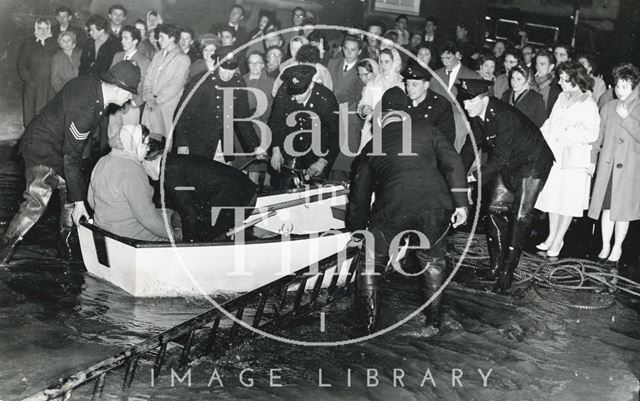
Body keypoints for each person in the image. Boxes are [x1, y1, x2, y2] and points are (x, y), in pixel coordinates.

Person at [347, 87, 468, 334]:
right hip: (436, 206)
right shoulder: (430, 131)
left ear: (380, 118)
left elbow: (359, 196)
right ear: (407, 115)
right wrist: (462, 204)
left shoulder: (372, 146)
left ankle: (367, 327)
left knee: (370, 265)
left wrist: (358, 230)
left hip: (393, 208)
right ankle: (433, 324)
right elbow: (454, 164)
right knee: (433, 263)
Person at [0, 61, 141, 264]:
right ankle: (4, 253)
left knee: (72, 193)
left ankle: (66, 249)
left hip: (56, 146)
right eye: (130, 93)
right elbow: (71, 156)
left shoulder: (92, 86)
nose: (130, 98)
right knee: (37, 199)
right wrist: (81, 203)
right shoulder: (86, 108)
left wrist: (78, 200)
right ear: (119, 90)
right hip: (42, 147)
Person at [458, 79, 554, 292]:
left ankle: (506, 273)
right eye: (464, 102)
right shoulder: (476, 114)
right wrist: (457, 174)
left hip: (532, 162)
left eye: (470, 101)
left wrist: (473, 178)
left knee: (520, 216)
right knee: (494, 210)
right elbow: (470, 146)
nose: (466, 106)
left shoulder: (504, 117)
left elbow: (499, 158)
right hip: (510, 161)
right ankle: (494, 267)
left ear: (484, 98)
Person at [534, 61, 600, 258]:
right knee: (553, 198)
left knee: (568, 201)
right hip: (556, 156)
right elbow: (550, 122)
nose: (560, 83)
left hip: (574, 160)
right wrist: (540, 135)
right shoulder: (562, 97)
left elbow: (592, 133)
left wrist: (567, 135)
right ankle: (552, 235)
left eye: (564, 79)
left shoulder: (589, 103)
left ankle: (559, 239)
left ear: (575, 81)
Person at [143, 138, 258, 242]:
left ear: (146, 162)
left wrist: (188, 245)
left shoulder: (169, 172)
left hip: (240, 200)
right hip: (244, 192)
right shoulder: (171, 162)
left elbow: (189, 213)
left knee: (202, 237)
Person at [173, 46, 265, 163]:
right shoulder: (201, 82)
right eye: (224, 68)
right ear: (217, 63)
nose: (227, 73)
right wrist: (182, 143)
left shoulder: (239, 83)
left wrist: (255, 146)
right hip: (199, 142)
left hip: (225, 143)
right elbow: (183, 112)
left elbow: (243, 119)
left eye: (231, 69)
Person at [588, 63, 640, 263]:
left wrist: (628, 119)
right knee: (606, 209)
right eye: (618, 85)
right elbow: (597, 138)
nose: (620, 90)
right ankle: (605, 245)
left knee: (622, 211)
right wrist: (592, 160)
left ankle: (617, 247)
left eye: (625, 86)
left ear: (634, 86)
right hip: (607, 168)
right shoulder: (608, 107)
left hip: (629, 170)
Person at [89, 124, 168, 241]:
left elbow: (91, 199)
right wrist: (171, 234)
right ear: (133, 144)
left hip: (103, 232)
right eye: (145, 144)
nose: (148, 149)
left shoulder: (102, 161)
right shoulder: (132, 169)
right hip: (128, 237)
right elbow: (147, 217)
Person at [269, 65, 340, 189]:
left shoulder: (326, 98)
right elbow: (276, 121)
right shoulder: (284, 91)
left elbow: (336, 134)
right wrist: (275, 149)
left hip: (318, 150)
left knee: (314, 193)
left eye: (301, 93)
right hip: (290, 146)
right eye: (293, 94)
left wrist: (322, 161)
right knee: (282, 187)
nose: (295, 98)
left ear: (311, 85)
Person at [430, 41, 481, 151]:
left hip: (462, 127)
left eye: (448, 58)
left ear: (458, 55)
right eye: (442, 58)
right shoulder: (434, 76)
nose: (444, 62)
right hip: (439, 126)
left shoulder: (473, 77)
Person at [327, 34, 365, 181]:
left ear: (360, 52)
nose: (349, 53)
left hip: (349, 119)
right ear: (342, 48)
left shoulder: (363, 69)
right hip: (330, 117)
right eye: (346, 49)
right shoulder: (332, 63)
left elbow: (357, 96)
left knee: (344, 164)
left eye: (353, 50)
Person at [141, 24, 190, 138]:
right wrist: (147, 94)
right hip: (150, 105)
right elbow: (148, 77)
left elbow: (175, 85)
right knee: (146, 140)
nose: (159, 39)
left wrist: (156, 100)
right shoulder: (158, 55)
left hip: (166, 107)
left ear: (172, 38)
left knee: (163, 144)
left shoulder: (183, 59)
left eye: (162, 37)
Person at [107, 25, 150, 143]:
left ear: (135, 41)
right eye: (122, 38)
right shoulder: (118, 56)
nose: (122, 41)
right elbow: (110, 78)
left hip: (131, 107)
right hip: (115, 105)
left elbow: (145, 86)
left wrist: (136, 103)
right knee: (112, 137)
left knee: (129, 140)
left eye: (126, 38)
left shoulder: (144, 61)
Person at [357, 48, 403, 152]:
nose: (383, 65)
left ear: (395, 62)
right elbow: (362, 104)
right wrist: (363, 110)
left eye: (387, 62)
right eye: (381, 62)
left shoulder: (402, 84)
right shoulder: (373, 83)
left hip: (394, 132)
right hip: (371, 132)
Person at [402, 59, 455, 145]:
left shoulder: (441, 105)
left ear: (426, 85)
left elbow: (446, 141)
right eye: (408, 84)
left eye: (414, 84)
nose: (409, 88)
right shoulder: (402, 102)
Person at [18, 18, 57, 127]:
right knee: (31, 114)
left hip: (49, 85)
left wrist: (46, 42)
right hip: (33, 84)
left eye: (46, 28)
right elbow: (21, 63)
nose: (43, 32)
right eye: (40, 28)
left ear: (49, 29)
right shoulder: (29, 42)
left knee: (47, 114)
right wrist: (28, 79)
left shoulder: (54, 43)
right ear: (36, 28)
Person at [532, 49, 561, 117]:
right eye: (537, 64)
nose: (538, 67)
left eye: (542, 64)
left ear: (551, 67)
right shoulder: (531, 82)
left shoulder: (557, 86)